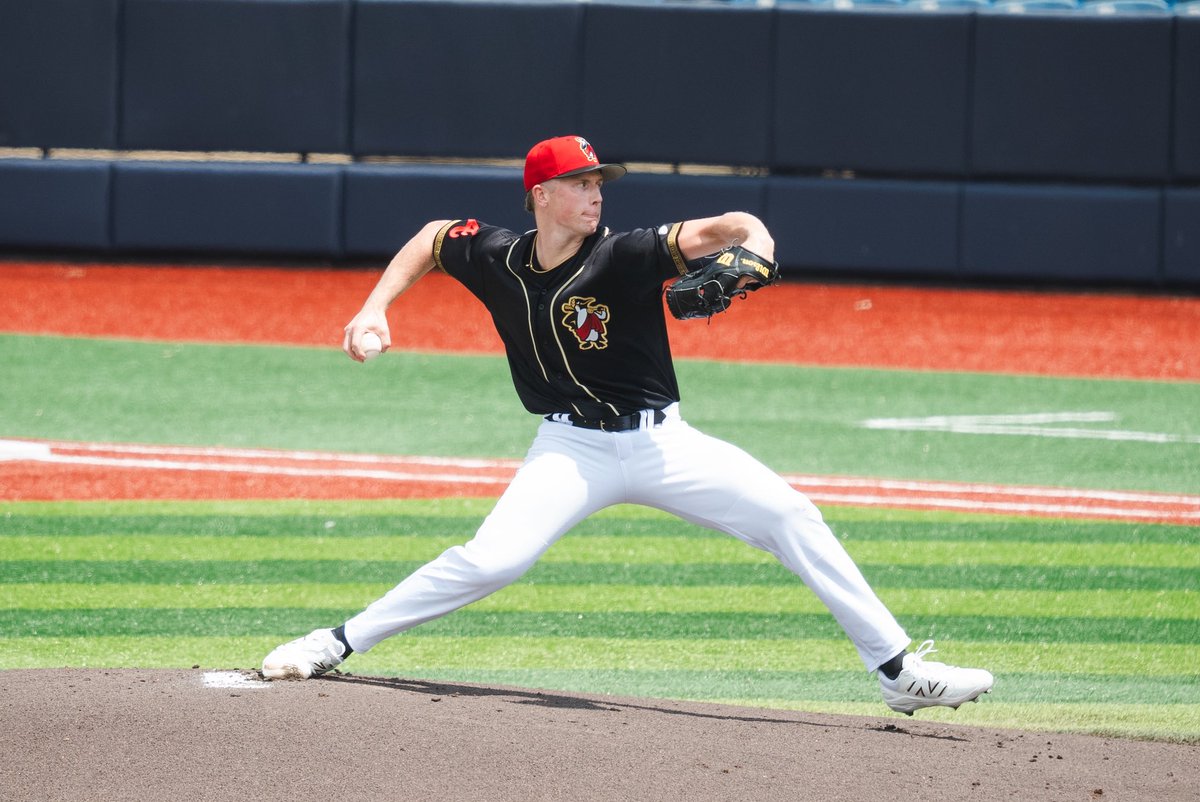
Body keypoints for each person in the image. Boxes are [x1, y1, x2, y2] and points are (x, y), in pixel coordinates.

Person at [262, 135, 993, 715]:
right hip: (570, 447)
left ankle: (898, 671)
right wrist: (374, 307)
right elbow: (430, 237)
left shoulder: (628, 253)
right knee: (493, 561)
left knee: (790, 514)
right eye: (581, 183)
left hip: (663, 444)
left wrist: (756, 249)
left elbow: (734, 226)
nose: (594, 194)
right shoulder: (497, 258)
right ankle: (336, 641)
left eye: (599, 183)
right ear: (542, 196)